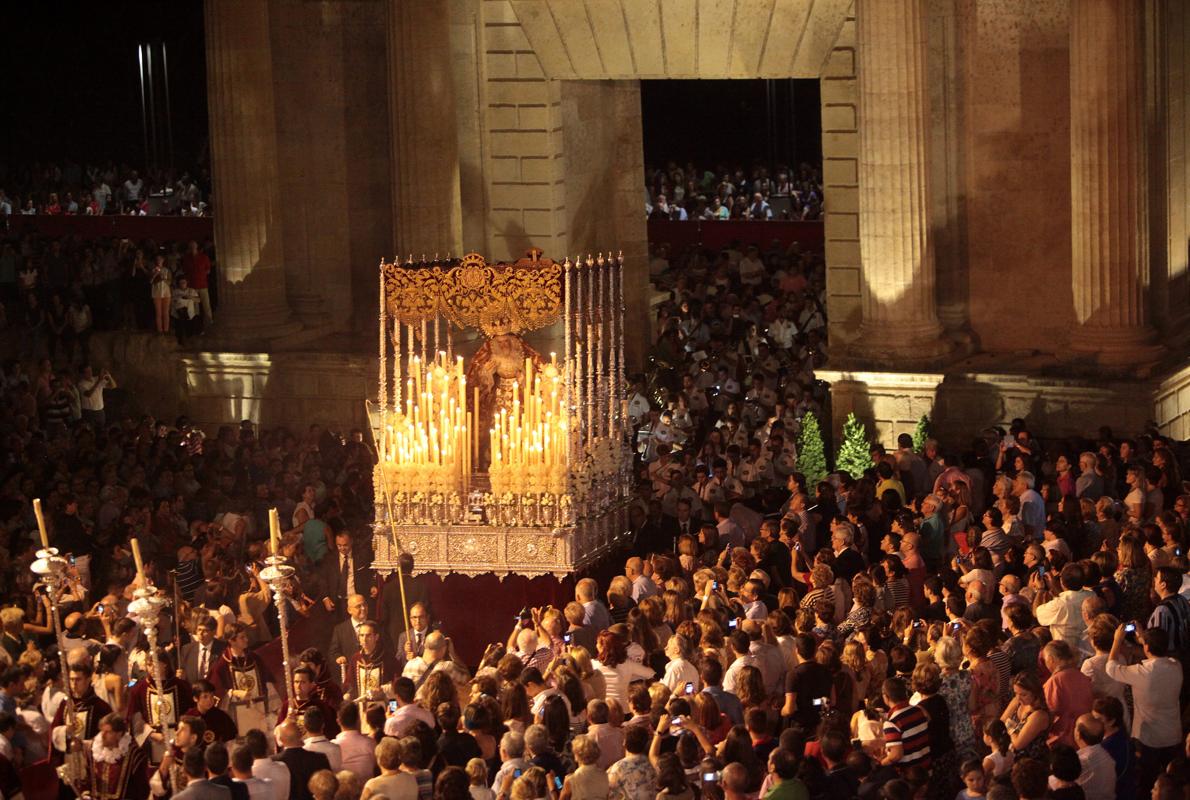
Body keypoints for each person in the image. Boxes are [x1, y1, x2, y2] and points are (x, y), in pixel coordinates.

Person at [1104, 624, 1183, 795]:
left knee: (1147, 781)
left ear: (1146, 647)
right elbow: (1156, 656)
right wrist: (1143, 638)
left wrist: (1117, 641)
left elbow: (1111, 668)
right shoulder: (1176, 666)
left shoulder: (1142, 672)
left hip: (1149, 737)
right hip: (1172, 733)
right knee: (1172, 782)